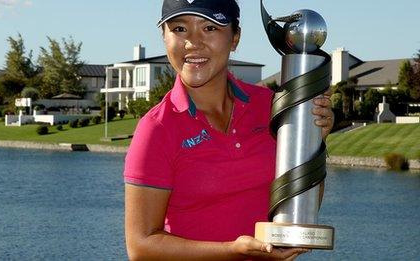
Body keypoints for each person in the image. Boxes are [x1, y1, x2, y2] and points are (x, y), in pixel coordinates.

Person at [124, 0, 334, 260]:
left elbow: (300, 210)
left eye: (210, 28)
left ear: (235, 38)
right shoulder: (157, 128)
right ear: (164, 37)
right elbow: (140, 247)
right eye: (179, 29)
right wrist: (233, 250)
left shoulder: (273, 107)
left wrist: (314, 143)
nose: (192, 42)